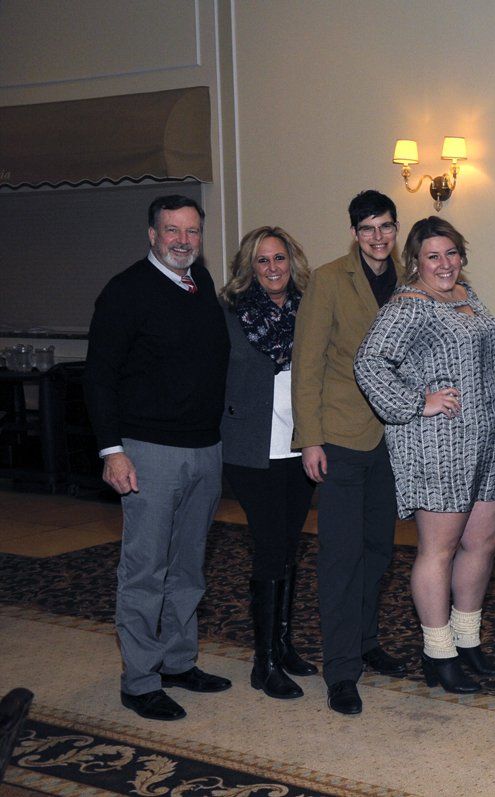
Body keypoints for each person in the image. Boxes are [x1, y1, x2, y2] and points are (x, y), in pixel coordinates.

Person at [85, 194, 231, 721]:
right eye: (172, 230)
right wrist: (113, 451)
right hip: (148, 452)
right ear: (152, 234)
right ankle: (141, 680)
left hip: (204, 449)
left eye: (192, 231)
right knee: (146, 570)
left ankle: (177, 661)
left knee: (189, 567)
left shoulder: (201, 283)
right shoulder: (125, 291)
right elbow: (99, 376)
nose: (183, 240)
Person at [355, 216, 495, 695]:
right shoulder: (408, 305)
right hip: (438, 445)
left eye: (451, 253)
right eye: (432, 256)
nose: (444, 264)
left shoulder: (466, 295)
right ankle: (438, 652)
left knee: (481, 543)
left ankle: (467, 640)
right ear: (415, 261)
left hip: (486, 440)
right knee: (438, 550)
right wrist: (417, 403)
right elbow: (369, 362)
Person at [292, 190, 407, 716]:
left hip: (393, 440)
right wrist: (310, 438)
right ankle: (340, 670)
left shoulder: (409, 280)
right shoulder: (328, 279)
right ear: (354, 233)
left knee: (379, 551)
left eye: (386, 226)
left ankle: (365, 641)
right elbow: (307, 363)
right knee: (340, 557)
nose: (378, 237)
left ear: (396, 229)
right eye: (367, 228)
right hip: (340, 436)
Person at [220, 226, 316, 700]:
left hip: (301, 448)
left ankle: (282, 644)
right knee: (270, 546)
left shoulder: (309, 309)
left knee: (289, 545)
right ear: (249, 268)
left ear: (292, 263)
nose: (273, 268)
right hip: (251, 450)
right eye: (263, 260)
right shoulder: (230, 314)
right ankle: (265, 663)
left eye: (280, 259)